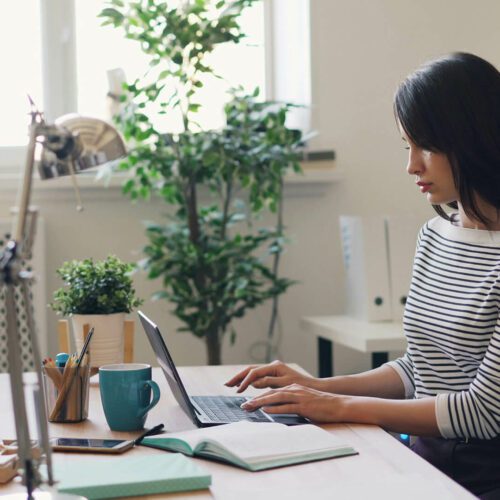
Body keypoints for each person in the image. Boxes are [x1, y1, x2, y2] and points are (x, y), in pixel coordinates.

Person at [226, 52, 500, 499]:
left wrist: (335, 406)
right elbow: (420, 369)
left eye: (426, 146)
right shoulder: (435, 235)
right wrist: (312, 387)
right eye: (406, 147)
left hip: (481, 474)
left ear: (473, 139)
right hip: (423, 456)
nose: (411, 166)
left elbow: (485, 413)